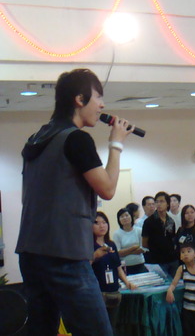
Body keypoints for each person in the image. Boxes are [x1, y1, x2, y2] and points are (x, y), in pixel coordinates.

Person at [16, 68, 133, 335]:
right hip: (66, 253)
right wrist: (116, 144)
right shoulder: (76, 138)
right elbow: (108, 189)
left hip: (31, 251)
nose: (102, 105)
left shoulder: (36, 139)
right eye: (98, 97)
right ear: (80, 99)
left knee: (41, 330)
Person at [92, 211, 136, 331]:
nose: (101, 226)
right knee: (100, 327)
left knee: (112, 326)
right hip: (98, 292)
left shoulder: (111, 244)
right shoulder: (89, 245)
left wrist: (127, 282)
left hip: (113, 291)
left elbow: (118, 267)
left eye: (104, 222)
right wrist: (95, 256)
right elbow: (84, 267)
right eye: (97, 223)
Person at [166, 242, 195, 336]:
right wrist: (170, 290)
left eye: (188, 251)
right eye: (182, 252)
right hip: (187, 308)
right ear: (180, 257)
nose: (185, 254)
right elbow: (174, 283)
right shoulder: (181, 268)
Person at [142, 191, 179, 277]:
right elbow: (144, 243)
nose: (159, 204)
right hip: (157, 261)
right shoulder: (149, 222)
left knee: (175, 282)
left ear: (167, 204)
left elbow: (172, 240)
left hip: (172, 259)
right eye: (157, 202)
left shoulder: (171, 221)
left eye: (162, 201)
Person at [113, 207, 147, 275]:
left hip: (140, 264)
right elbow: (118, 253)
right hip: (125, 267)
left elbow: (143, 249)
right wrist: (133, 248)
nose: (125, 218)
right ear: (119, 220)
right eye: (122, 216)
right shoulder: (117, 234)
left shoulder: (139, 230)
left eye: (126, 215)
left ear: (131, 216)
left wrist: (126, 252)